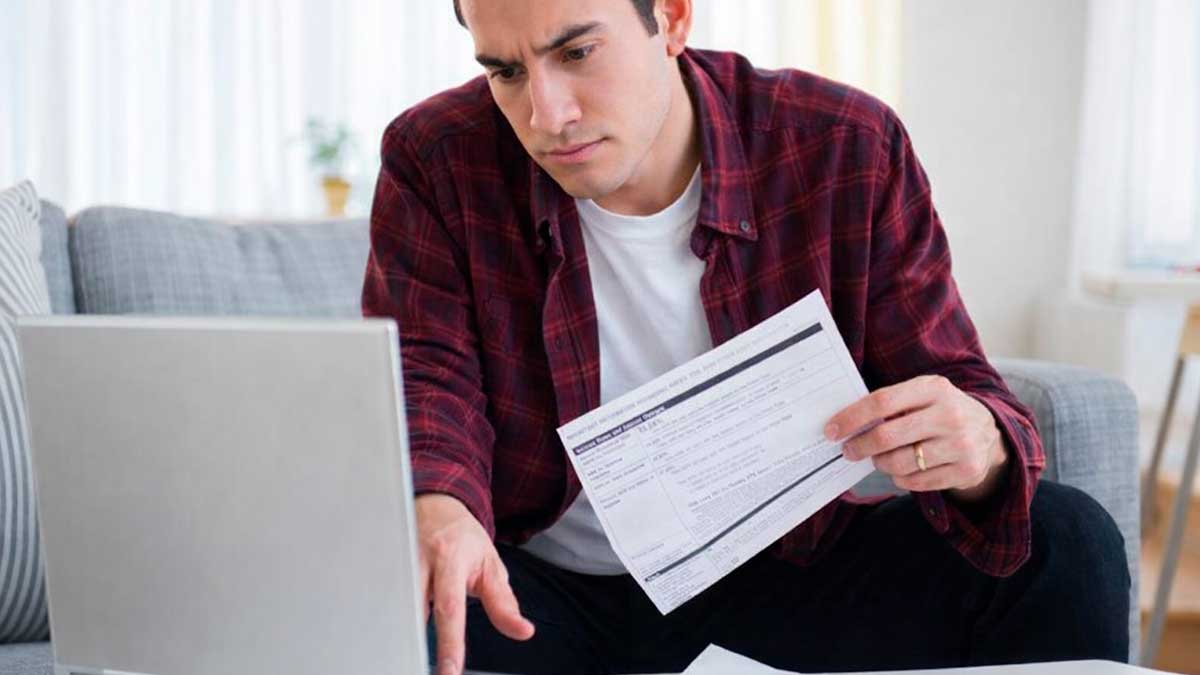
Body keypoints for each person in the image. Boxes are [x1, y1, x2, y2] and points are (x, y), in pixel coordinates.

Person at [362, 1, 1130, 673]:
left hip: (781, 581)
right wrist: (441, 507)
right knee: (364, 583)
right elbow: (428, 376)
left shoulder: (844, 144)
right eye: (506, 71)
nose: (545, 114)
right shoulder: (436, 156)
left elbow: (959, 381)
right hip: (532, 596)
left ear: (671, 18)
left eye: (577, 52)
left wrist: (977, 443)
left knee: (1065, 538)